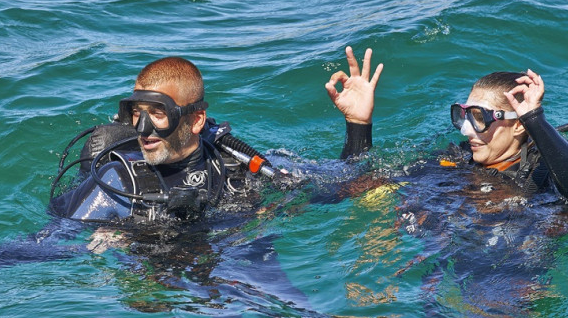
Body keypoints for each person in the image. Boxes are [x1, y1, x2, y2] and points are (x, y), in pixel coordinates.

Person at [49, 54, 384, 225]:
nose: (143, 128)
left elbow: (346, 184)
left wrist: (358, 124)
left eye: (158, 114)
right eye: (137, 113)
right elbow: (47, 245)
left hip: (233, 266)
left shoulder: (240, 168)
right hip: (154, 288)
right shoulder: (117, 180)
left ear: (195, 120)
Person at [325, 46, 568, 202]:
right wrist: (358, 124)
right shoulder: (457, 160)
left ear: (518, 125)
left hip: (505, 269)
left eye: (480, 118)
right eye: (464, 115)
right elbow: (353, 185)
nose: (466, 129)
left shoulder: (542, 173)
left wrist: (534, 119)